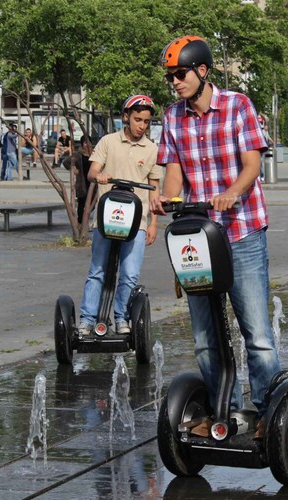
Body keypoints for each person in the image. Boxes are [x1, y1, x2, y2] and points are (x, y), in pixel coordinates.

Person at [152, 35, 278, 440]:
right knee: (205, 336)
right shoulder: (173, 116)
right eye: (170, 76)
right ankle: (219, 408)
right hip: (198, 239)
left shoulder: (238, 105)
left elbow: (252, 164)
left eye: (180, 74)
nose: (174, 81)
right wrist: (167, 197)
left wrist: (232, 193)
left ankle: (266, 414)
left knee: (256, 333)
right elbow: (173, 170)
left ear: (202, 72)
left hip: (240, 232)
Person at [78, 96, 161, 337]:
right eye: (137, 120)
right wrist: (99, 176)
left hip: (138, 221)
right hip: (107, 219)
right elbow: (93, 170)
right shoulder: (108, 142)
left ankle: (121, 315)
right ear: (126, 117)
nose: (142, 126)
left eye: (146, 121)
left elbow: (154, 188)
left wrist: (154, 223)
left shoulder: (152, 149)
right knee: (98, 270)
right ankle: (87, 318)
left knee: (130, 273)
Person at [71, 134, 94, 224]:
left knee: (93, 203)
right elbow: (66, 162)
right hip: (82, 182)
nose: (87, 144)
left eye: (89, 142)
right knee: (82, 203)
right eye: (85, 143)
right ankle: (80, 222)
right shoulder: (78, 154)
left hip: (92, 182)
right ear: (82, 144)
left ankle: (85, 219)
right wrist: (74, 169)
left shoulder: (94, 153)